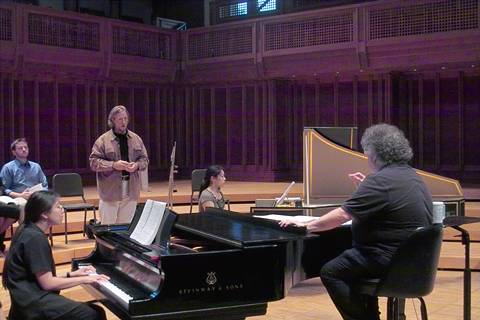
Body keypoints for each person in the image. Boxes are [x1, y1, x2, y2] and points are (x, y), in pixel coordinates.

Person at [280, 123, 433, 320]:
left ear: (374, 154)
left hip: (387, 259)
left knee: (331, 272)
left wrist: (306, 225)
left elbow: (342, 215)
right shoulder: (413, 176)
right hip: (413, 260)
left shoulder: (379, 181)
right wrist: (364, 189)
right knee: (353, 268)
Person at [2, 190, 109, 320]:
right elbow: (48, 284)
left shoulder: (27, 230)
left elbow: (38, 277)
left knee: (96, 310)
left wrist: (72, 274)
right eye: (58, 206)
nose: (62, 210)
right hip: (33, 304)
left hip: (26, 299)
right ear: (44, 214)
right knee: (92, 314)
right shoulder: (35, 238)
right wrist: (86, 279)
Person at [89, 105, 149, 224]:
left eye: (125, 118)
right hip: (111, 190)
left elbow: (145, 159)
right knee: (107, 230)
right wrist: (113, 165)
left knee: (125, 228)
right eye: (120, 119)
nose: (123, 122)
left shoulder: (136, 138)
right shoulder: (103, 140)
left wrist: (137, 165)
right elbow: (93, 162)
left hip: (131, 189)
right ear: (112, 121)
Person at [0, 138, 48, 253]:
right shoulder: (8, 167)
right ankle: (25, 244)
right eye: (20, 148)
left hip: (34, 197)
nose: (24, 150)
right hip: (16, 198)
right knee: (21, 206)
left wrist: (36, 193)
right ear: (13, 152)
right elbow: (4, 188)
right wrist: (20, 194)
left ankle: (31, 242)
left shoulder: (36, 166)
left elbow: (45, 185)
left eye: (25, 147)